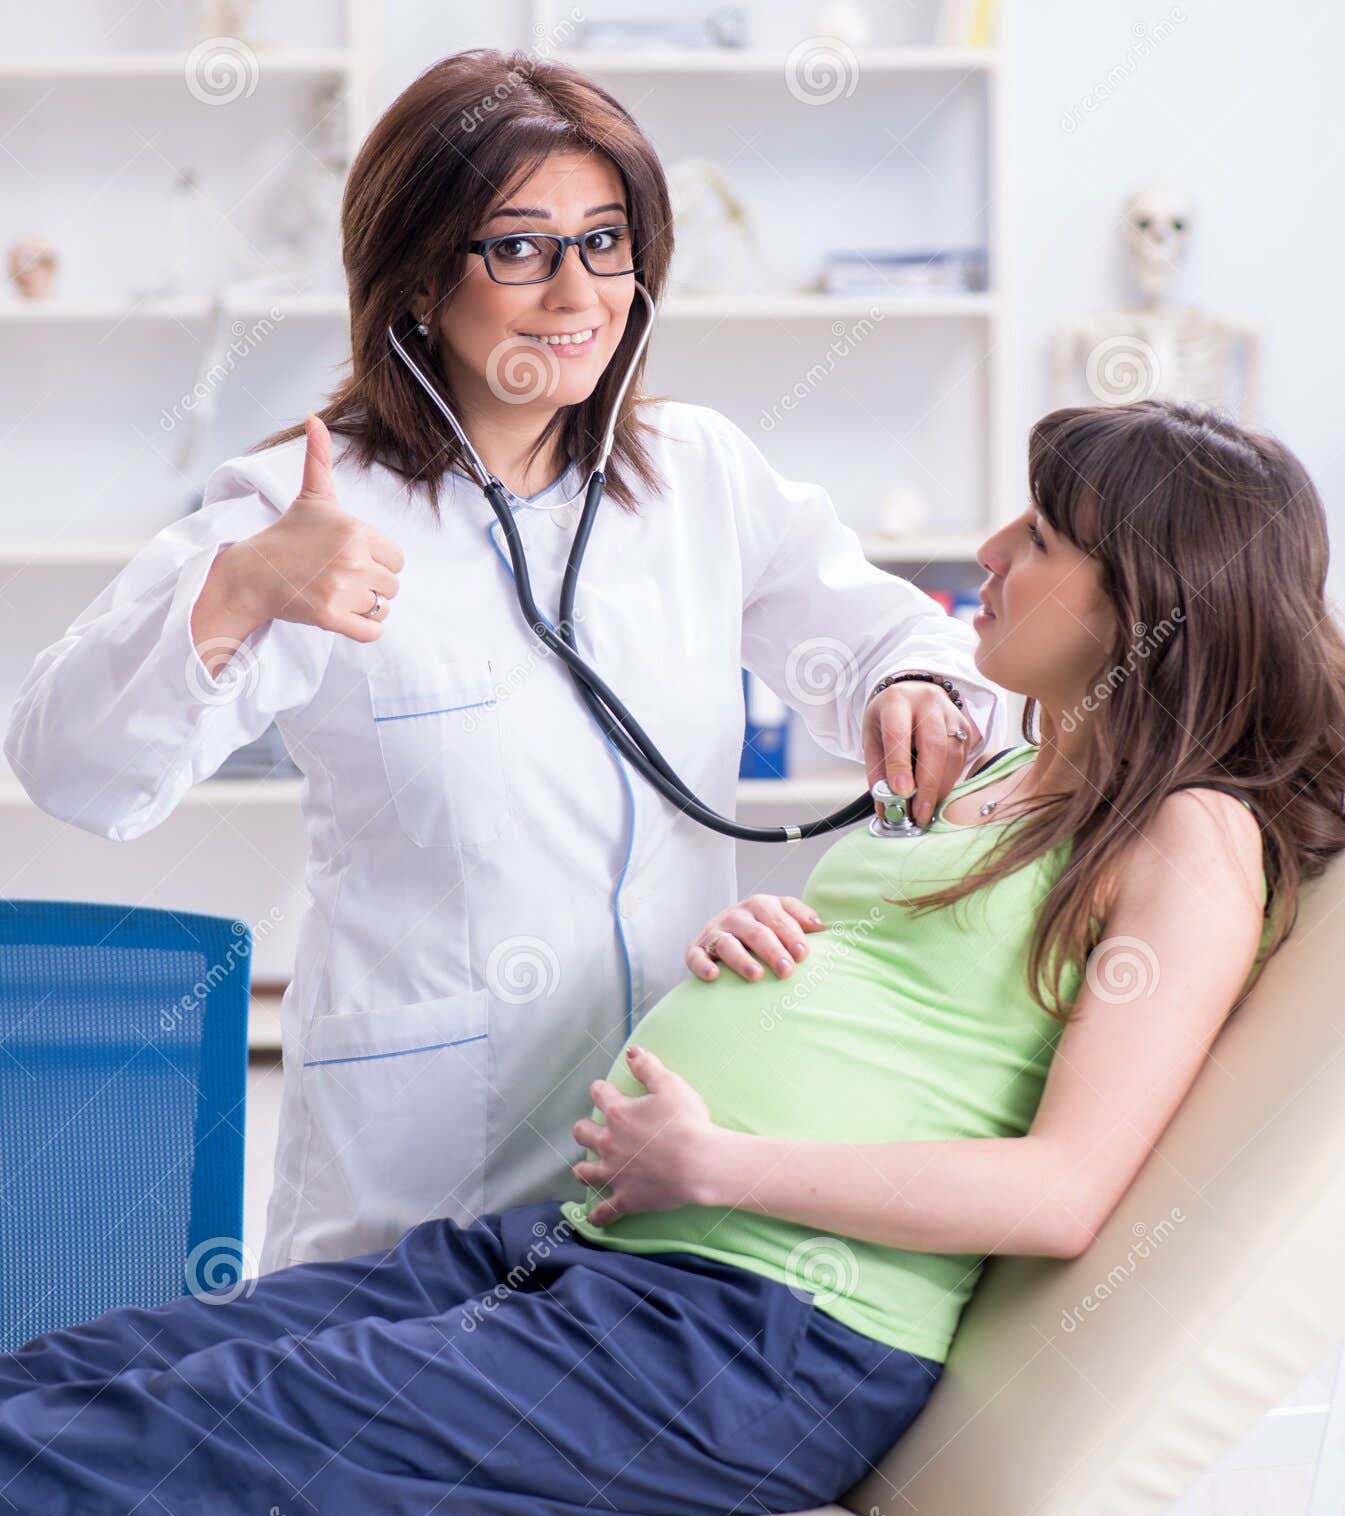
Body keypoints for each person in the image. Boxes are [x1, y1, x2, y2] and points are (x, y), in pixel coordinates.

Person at [5, 398, 1340, 1516]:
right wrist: (799, 935)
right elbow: (942, 999)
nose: (984, 553)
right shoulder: (1004, 778)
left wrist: (722, 1158)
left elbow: (1060, 1190)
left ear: (1146, 602)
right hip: (597, 1253)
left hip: (754, 1340)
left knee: (215, 1426)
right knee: (114, 1364)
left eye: (1040, 535)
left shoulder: (1192, 839)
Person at [2, 50, 1007, 1277]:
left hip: (675, 1141)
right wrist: (243, 588)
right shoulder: (305, 507)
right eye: (520, 247)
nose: (576, 290)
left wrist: (911, 684)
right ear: (420, 277)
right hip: (427, 1164)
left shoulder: (695, 471)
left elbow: (897, 639)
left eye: (606, 240)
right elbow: (72, 766)